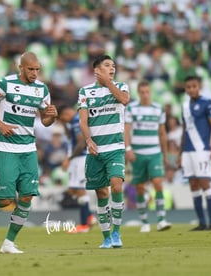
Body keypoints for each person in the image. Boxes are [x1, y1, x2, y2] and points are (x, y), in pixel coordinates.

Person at [0, 52, 58, 254]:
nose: (35, 73)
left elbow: (45, 120)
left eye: (37, 69)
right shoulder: (5, 84)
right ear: (21, 68)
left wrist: (52, 117)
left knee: (27, 197)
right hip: (7, 147)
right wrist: (0, 125)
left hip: (28, 149)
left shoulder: (41, 89)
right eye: (31, 69)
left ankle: (8, 243)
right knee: (4, 200)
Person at [78, 55, 130, 249]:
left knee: (116, 186)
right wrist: (88, 140)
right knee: (101, 193)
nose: (112, 68)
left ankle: (117, 233)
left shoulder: (121, 87)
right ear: (96, 71)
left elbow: (124, 100)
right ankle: (106, 237)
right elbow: (83, 121)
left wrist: (109, 83)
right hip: (95, 150)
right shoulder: (85, 91)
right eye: (107, 65)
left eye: (113, 66)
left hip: (115, 147)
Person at [124, 80, 172, 233]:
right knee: (139, 187)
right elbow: (126, 129)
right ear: (139, 93)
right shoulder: (132, 108)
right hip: (138, 153)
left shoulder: (158, 109)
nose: (145, 95)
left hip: (154, 152)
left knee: (158, 183)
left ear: (150, 92)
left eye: (147, 92)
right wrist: (128, 148)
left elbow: (162, 133)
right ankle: (144, 221)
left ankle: (161, 220)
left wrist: (165, 154)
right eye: (142, 92)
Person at [178, 75, 211, 231]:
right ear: (185, 89)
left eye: (194, 86)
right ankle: (202, 223)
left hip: (202, 150)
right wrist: (179, 153)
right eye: (188, 87)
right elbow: (184, 130)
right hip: (187, 151)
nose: (191, 89)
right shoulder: (184, 106)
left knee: (204, 182)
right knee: (193, 184)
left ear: (199, 87)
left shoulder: (207, 103)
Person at [57, 105, 95, 233]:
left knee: (79, 191)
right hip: (78, 159)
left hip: (79, 159)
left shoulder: (76, 121)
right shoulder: (73, 122)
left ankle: (84, 224)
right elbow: (70, 137)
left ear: (67, 113)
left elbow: (81, 143)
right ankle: (89, 217)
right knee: (75, 190)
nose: (63, 119)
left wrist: (69, 158)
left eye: (63, 117)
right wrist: (63, 124)